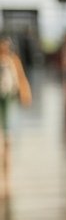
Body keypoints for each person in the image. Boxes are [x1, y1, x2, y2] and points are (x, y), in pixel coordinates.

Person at [0, 34, 30, 201]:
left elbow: (20, 77)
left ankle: (7, 175)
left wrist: (24, 93)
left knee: (8, 135)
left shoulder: (13, 60)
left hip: (8, 99)